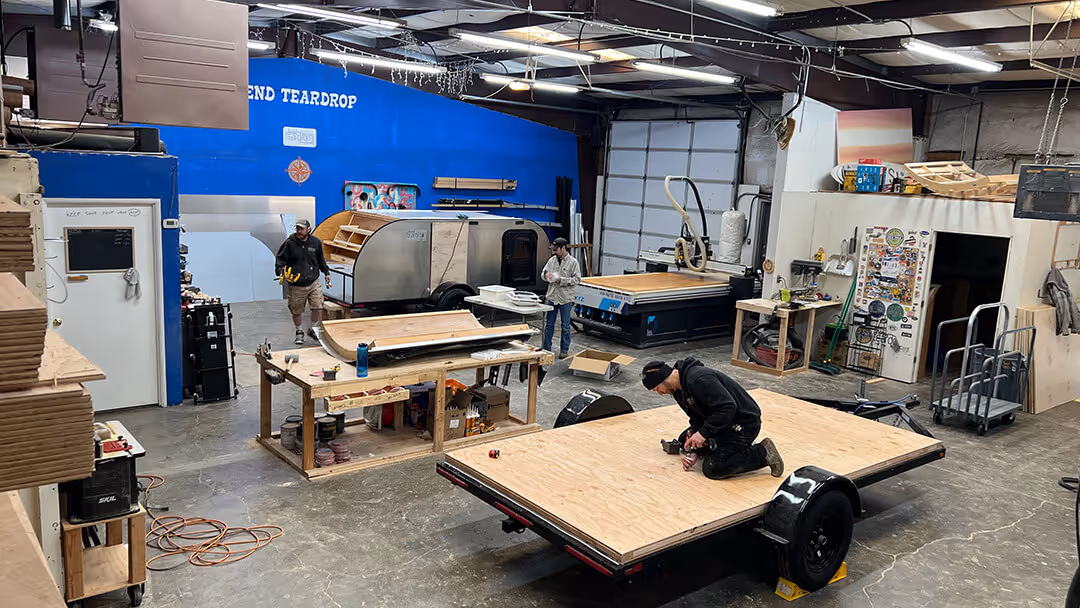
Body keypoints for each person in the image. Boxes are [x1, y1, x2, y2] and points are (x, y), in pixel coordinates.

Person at [641, 358, 784, 480]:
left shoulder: (698, 379)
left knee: (714, 468)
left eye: (657, 388)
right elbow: (696, 416)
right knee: (685, 439)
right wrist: (694, 449)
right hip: (723, 421)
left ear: (663, 379)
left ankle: (763, 453)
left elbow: (727, 407)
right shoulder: (678, 389)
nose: (660, 393)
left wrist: (703, 434)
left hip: (743, 424)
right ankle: (716, 446)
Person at [275, 219, 332, 345]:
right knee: (297, 310)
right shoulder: (289, 243)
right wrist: (280, 271)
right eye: (297, 229)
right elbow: (280, 259)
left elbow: (320, 259)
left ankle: (312, 329)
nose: (299, 231)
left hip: (313, 281)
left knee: (317, 306)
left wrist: (326, 272)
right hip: (296, 285)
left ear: (308, 229)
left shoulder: (315, 242)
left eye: (301, 229)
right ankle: (299, 331)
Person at [541, 237, 581, 359]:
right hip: (552, 297)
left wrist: (561, 280)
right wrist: (546, 275)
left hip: (565, 299)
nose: (554, 252)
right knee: (549, 325)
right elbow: (543, 273)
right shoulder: (552, 260)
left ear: (563, 248)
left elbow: (577, 279)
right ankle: (546, 348)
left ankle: (564, 349)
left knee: (565, 326)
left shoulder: (573, 262)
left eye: (556, 249)